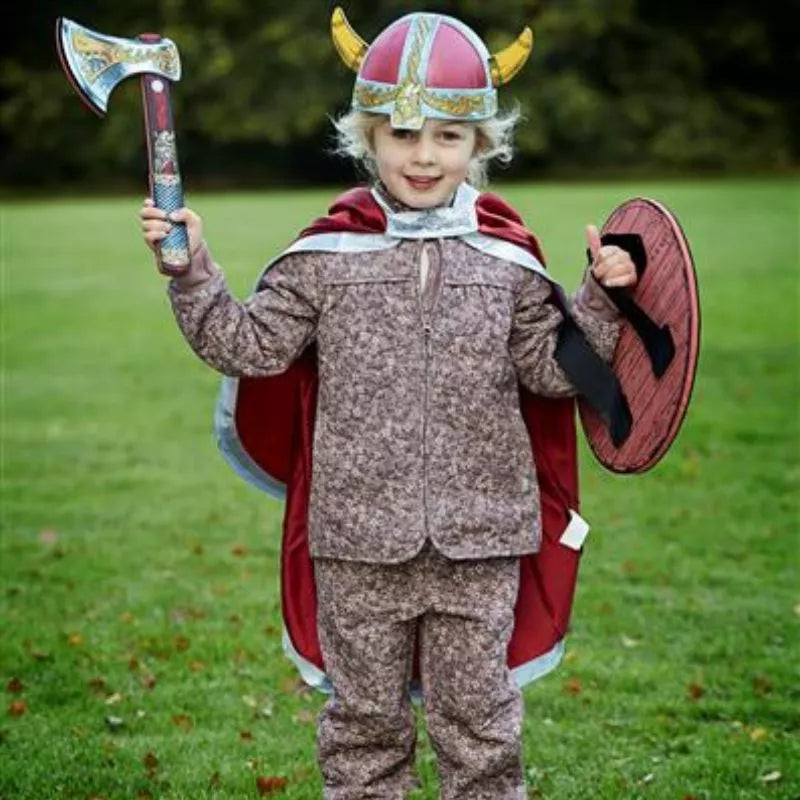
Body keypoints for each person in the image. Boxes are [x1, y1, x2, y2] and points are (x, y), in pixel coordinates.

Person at [140, 9, 637, 799]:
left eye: (448, 135)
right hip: (357, 541)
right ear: (368, 137)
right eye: (403, 134)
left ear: (480, 145)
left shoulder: (506, 261)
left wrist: (602, 300)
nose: (424, 155)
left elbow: (552, 371)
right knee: (365, 727)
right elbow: (249, 347)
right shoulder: (325, 258)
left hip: (482, 539)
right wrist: (191, 270)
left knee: (480, 727)